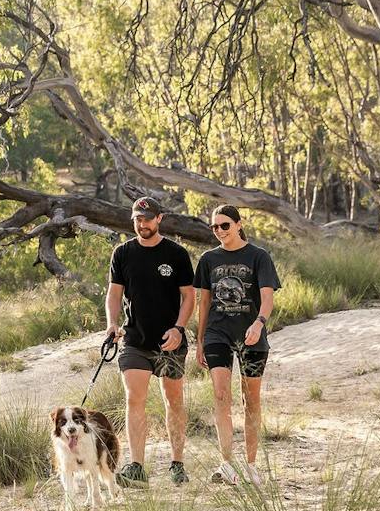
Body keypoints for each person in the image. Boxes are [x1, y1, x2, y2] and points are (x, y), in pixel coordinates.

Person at [103, 196, 195, 487]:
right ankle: (137, 467)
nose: (141, 224)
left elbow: (189, 296)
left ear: (159, 219)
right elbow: (114, 294)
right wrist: (111, 323)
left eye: (147, 218)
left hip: (170, 341)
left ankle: (177, 463)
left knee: (173, 400)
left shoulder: (177, 253)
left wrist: (179, 328)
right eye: (137, 219)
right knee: (134, 398)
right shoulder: (122, 253)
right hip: (135, 340)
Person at [193, 204, 280, 486]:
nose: (219, 231)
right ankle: (226, 463)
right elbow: (204, 301)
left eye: (225, 226)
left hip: (252, 335)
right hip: (218, 334)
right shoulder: (208, 259)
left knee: (250, 399)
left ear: (239, 225)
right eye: (214, 227)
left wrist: (259, 323)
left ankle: (252, 464)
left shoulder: (259, 257)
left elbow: (267, 297)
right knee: (221, 396)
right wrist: (200, 339)